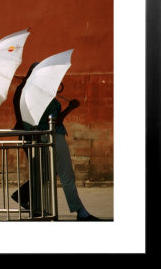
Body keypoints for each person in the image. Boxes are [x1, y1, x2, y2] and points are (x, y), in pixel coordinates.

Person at [11, 62, 100, 221]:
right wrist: (70, 107)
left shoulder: (29, 92)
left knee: (42, 174)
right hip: (52, 135)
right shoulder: (39, 94)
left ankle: (35, 206)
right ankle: (80, 211)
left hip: (39, 137)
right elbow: (54, 121)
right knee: (66, 173)